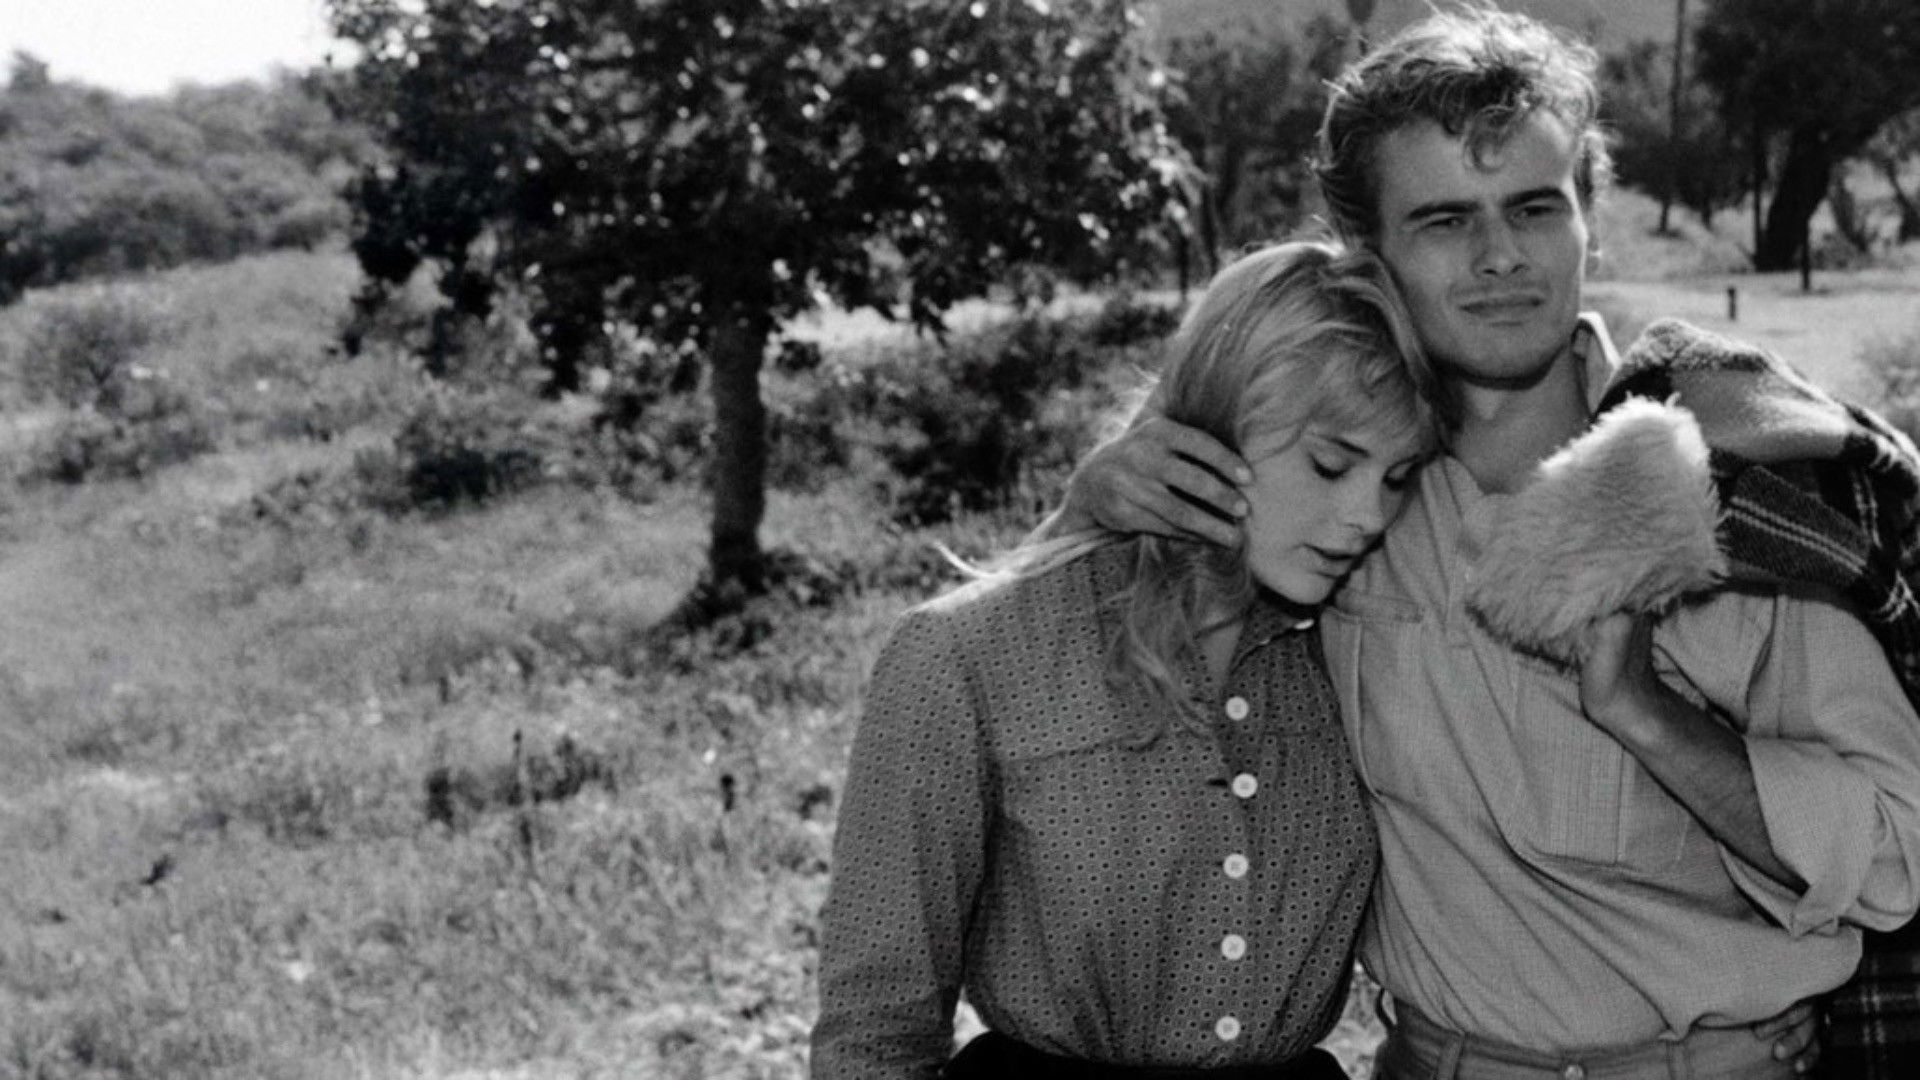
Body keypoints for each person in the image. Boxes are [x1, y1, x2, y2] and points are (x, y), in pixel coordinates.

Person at [1052, 7, 1920, 1080]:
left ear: (1590, 223)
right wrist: (1085, 518)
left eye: (1535, 208)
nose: (1501, 256)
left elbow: (1895, 854)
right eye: (1445, 220)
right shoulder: (1331, 496)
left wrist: (1646, 716)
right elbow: (1073, 706)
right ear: (1367, 253)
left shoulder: (1728, 487)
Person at [811, 240, 1441, 1079]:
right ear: (1212, 427)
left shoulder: (1356, 652)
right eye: (1331, 463)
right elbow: (872, 1039)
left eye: (1397, 477)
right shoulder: (966, 657)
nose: (1368, 515)